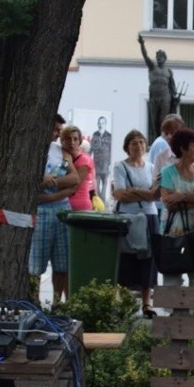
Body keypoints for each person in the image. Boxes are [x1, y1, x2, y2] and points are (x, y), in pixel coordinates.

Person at [29, 123, 80, 303]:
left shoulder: (61, 151)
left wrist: (53, 185)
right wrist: (41, 182)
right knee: (35, 264)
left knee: (62, 262)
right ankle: (34, 303)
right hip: (41, 212)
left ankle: (57, 304)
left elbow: (75, 179)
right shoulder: (30, 147)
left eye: (59, 130)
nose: (57, 134)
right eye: (55, 129)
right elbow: (28, 181)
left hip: (61, 209)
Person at [111, 129, 159, 316]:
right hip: (127, 217)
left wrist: (135, 191)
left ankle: (147, 303)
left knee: (148, 260)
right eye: (133, 143)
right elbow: (120, 193)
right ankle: (123, 301)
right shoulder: (120, 166)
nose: (138, 146)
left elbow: (155, 195)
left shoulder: (151, 167)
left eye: (141, 142)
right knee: (126, 258)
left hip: (149, 216)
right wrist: (145, 192)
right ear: (127, 147)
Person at [159, 129, 194, 286]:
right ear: (182, 148)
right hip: (174, 232)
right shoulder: (168, 172)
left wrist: (182, 197)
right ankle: (174, 310)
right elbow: (169, 204)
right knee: (172, 276)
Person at [139, 35, 178, 137]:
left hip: (165, 98)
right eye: (157, 57)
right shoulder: (152, 67)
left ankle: (165, 137)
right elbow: (145, 56)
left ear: (165, 59)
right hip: (154, 98)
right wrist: (142, 44)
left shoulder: (169, 71)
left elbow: (172, 87)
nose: (158, 59)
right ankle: (157, 138)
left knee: (163, 120)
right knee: (154, 120)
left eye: (160, 57)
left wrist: (175, 97)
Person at [60, 125, 95, 211]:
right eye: (68, 139)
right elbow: (58, 176)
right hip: (63, 205)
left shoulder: (84, 160)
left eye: (75, 139)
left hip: (80, 206)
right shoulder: (64, 158)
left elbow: (73, 186)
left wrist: (49, 197)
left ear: (80, 141)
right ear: (62, 141)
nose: (72, 142)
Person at [90, 116, 112, 201]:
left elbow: (111, 150)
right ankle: (99, 201)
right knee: (97, 184)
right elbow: (91, 148)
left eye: (102, 123)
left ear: (105, 124)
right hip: (97, 162)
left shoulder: (109, 135)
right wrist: (88, 159)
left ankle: (103, 202)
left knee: (105, 184)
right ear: (97, 124)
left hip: (106, 163)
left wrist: (110, 163)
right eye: (99, 123)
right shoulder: (95, 134)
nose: (100, 125)